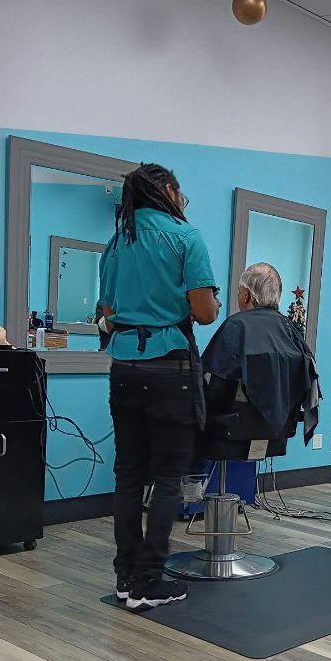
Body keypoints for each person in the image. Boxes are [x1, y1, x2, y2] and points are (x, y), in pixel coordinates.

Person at [98, 163, 219, 610]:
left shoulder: (116, 243)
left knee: (128, 473)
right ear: (168, 190)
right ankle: (149, 580)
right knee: (167, 477)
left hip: (124, 367)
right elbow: (205, 314)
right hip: (169, 368)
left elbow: (107, 309)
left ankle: (126, 577)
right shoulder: (186, 237)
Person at [200, 263, 320, 443]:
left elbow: (213, 387)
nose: (239, 296)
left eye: (240, 292)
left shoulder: (236, 325)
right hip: (279, 431)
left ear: (247, 295)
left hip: (231, 429)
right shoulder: (290, 330)